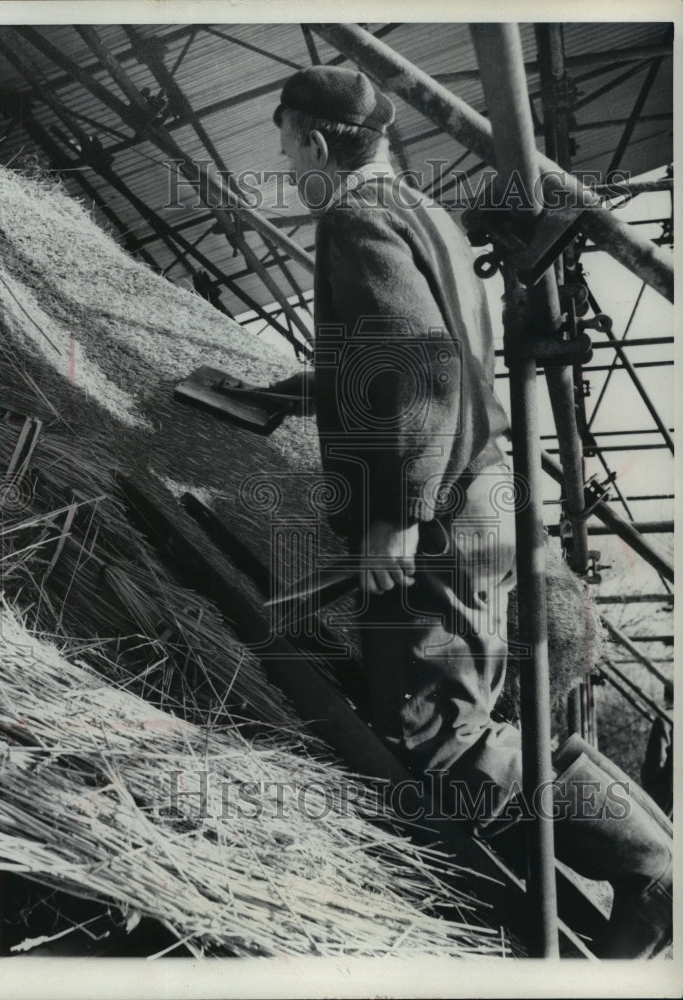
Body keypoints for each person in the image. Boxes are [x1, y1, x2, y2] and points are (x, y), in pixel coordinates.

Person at [269, 64, 671, 958]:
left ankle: (655, 873)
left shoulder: (351, 217)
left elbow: (420, 367)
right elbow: (425, 348)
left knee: (438, 740)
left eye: (287, 143)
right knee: (472, 719)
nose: (287, 164)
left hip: (441, 508)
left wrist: (400, 510)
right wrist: (296, 392)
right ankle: (657, 864)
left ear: (321, 142)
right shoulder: (431, 217)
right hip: (486, 490)